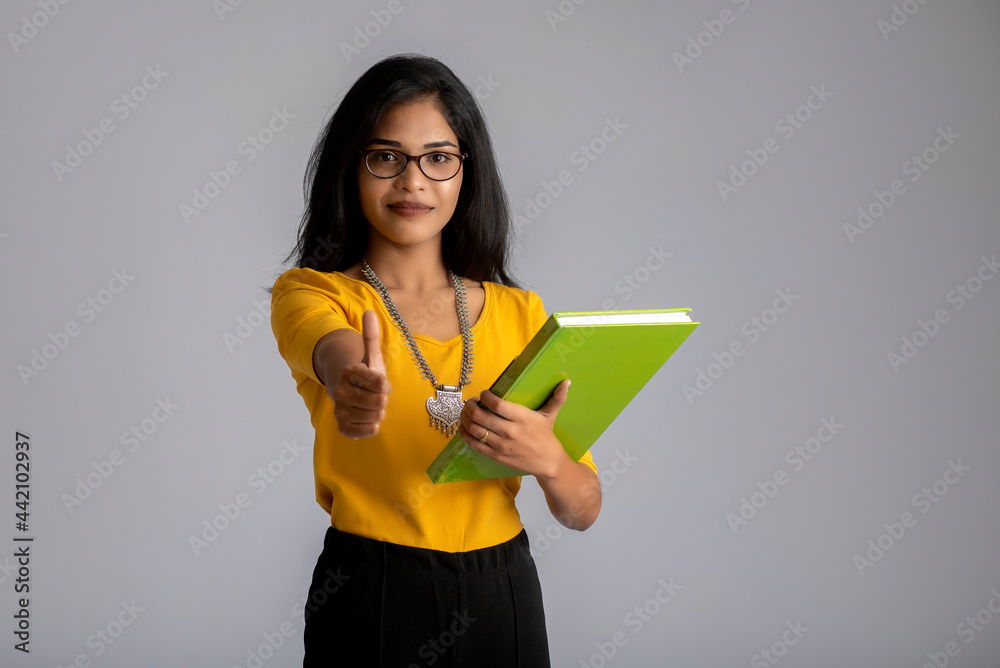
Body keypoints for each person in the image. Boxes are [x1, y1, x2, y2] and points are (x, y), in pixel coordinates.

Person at [269, 53, 602, 667]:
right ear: (353, 166)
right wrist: (352, 380)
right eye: (386, 156)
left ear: (466, 173)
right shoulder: (315, 294)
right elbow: (329, 347)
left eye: (438, 158)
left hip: (503, 590)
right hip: (372, 588)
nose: (413, 181)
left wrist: (549, 461)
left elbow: (583, 507)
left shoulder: (522, 313)